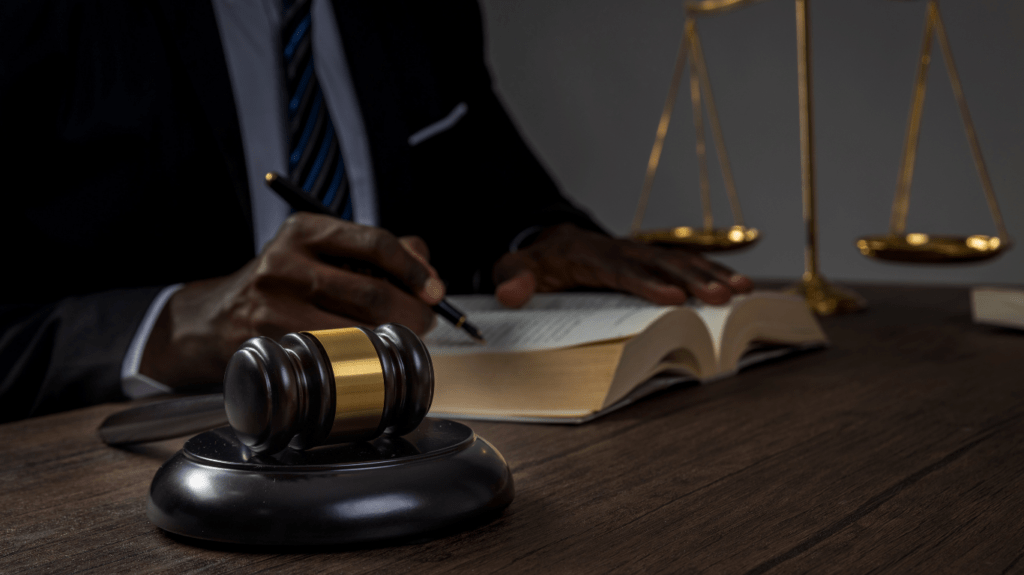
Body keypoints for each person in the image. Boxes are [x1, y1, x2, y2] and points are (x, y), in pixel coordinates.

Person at [0, 0, 751, 423]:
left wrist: (536, 240)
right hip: (147, 463)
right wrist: (172, 325)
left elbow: (496, 187)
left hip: (429, 421)